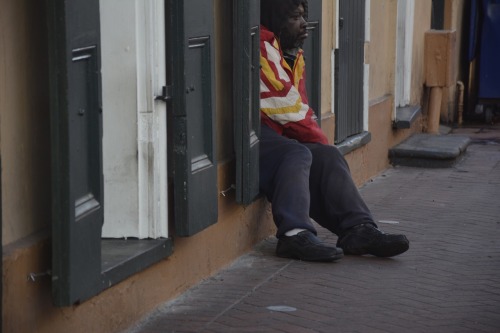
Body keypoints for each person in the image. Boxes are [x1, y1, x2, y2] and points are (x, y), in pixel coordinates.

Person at [259, 0, 410, 262]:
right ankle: (293, 235)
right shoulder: (262, 45)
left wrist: (324, 150)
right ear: (277, 20)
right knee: (298, 154)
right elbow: (289, 109)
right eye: (296, 17)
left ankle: (358, 229)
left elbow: (300, 107)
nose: (305, 24)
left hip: (278, 133)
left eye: (304, 17)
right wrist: (320, 142)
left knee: (327, 157)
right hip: (253, 135)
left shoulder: (292, 52)